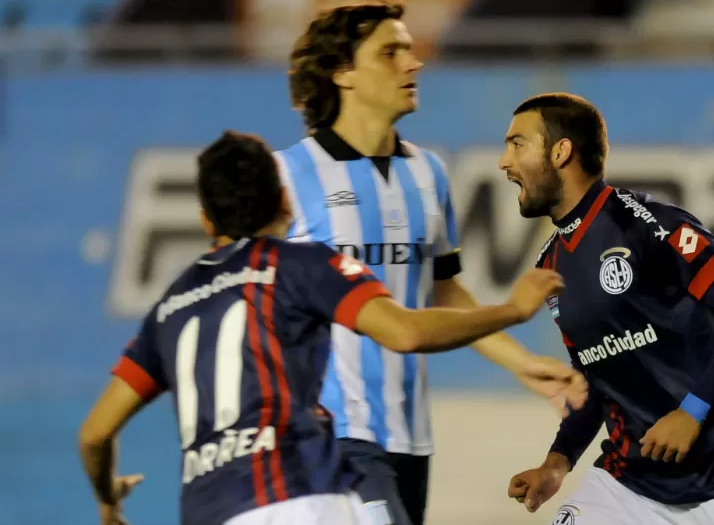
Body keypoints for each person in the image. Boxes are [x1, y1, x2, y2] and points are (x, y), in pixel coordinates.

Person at [77, 131, 566, 525]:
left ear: (206, 219)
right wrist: (512, 310)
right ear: (285, 204)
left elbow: (95, 434)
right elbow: (407, 333)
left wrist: (107, 500)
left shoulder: (171, 308)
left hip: (213, 511)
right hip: (306, 496)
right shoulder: (300, 264)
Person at [276, 0, 587, 525]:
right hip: (328, 433)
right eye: (390, 52)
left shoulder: (428, 173)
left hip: (410, 437)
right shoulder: (288, 177)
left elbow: (442, 292)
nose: (413, 62)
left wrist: (523, 364)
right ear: (342, 73)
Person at [500, 93, 714, 524]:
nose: (504, 161)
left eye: (517, 144)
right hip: (629, 485)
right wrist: (557, 462)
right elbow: (597, 379)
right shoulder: (550, 265)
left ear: (561, 152)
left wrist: (691, 412)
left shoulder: (646, 224)